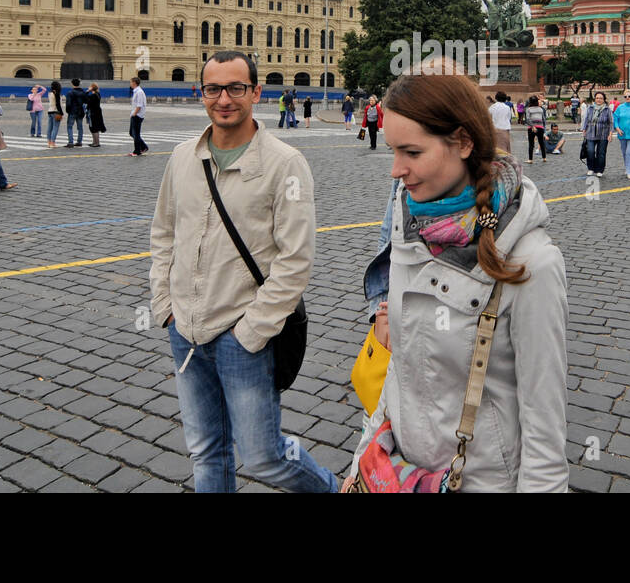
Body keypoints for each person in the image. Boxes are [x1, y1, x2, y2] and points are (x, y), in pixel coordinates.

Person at [344, 66, 568, 493]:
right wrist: (363, 460)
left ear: (463, 142)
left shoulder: (531, 262)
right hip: (404, 477)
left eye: (411, 153)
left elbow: (544, 425)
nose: (396, 170)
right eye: (392, 151)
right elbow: (399, 373)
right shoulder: (409, 231)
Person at [149, 50, 338, 494]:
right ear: (201, 94)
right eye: (213, 88)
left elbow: (295, 259)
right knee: (206, 450)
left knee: (263, 455)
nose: (224, 99)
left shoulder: (284, 163)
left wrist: (252, 331)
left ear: (256, 92)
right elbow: (163, 232)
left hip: (243, 335)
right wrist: (164, 306)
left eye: (236, 88)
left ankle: (335, 489)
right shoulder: (182, 157)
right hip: (186, 331)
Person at [581, 90, 613, 178]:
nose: (599, 100)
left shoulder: (607, 109)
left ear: (604, 100)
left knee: (601, 153)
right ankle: (591, 168)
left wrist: (610, 134)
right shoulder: (590, 108)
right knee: (590, 151)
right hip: (590, 134)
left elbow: (611, 122)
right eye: (597, 98)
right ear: (595, 99)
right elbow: (586, 119)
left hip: (603, 134)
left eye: (601, 98)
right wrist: (584, 129)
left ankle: (600, 170)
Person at [129, 77, 149, 156]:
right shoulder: (136, 91)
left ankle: (137, 151)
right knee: (132, 133)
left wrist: (134, 114)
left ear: (134, 83)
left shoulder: (139, 92)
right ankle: (143, 147)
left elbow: (139, 105)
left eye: (131, 82)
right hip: (135, 114)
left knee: (136, 134)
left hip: (137, 115)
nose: (130, 84)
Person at [488, 91, 513, 156]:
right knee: (506, 149)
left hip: (495, 128)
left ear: (496, 98)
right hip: (505, 129)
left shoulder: (492, 107)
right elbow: (509, 118)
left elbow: (489, 118)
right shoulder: (507, 107)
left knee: (496, 148)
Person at [525, 95, 548, 162]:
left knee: (531, 144)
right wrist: (543, 128)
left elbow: (528, 119)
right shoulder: (540, 109)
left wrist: (533, 126)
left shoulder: (528, 109)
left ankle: (530, 159)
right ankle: (544, 158)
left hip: (531, 128)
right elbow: (543, 119)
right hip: (540, 127)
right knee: (541, 143)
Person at [65, 78, 86, 148]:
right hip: (80, 111)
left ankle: (70, 142)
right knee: (80, 127)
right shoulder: (83, 92)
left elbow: (68, 104)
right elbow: (86, 101)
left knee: (69, 127)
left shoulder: (70, 93)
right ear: (79, 84)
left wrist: (68, 111)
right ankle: (79, 141)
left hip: (72, 111)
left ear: (72, 84)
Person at [86, 82, 106, 147]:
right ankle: (95, 142)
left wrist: (87, 91)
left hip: (93, 113)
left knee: (94, 128)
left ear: (92, 88)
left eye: (90, 87)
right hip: (97, 112)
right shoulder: (98, 94)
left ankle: (96, 143)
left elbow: (86, 99)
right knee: (94, 127)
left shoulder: (93, 95)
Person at [46, 80, 64, 148]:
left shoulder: (50, 93)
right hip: (56, 111)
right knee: (55, 128)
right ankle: (53, 142)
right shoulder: (56, 94)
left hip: (50, 111)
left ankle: (49, 142)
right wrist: (61, 113)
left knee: (49, 128)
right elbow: (58, 104)